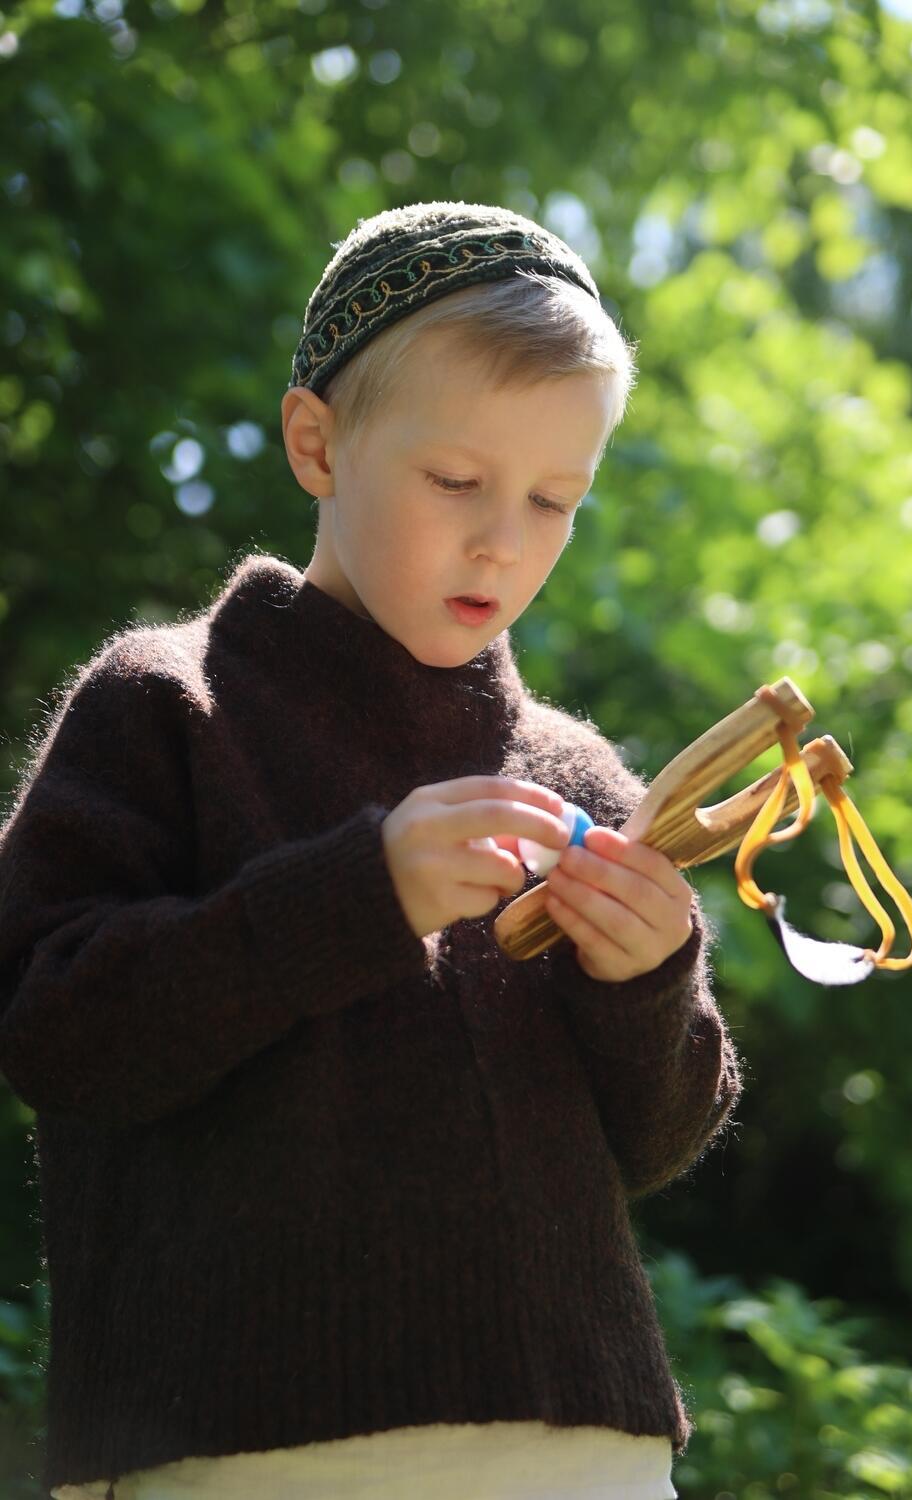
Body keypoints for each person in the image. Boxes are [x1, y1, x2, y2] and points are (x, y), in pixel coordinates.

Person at [0, 201, 744, 1500]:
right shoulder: (168, 707)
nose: (503, 537)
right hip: (242, 1444)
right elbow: (52, 1030)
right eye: (456, 481)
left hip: (585, 1447)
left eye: (555, 500)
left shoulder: (575, 775)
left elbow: (660, 1139)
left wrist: (649, 980)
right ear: (318, 442)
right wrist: (353, 897)